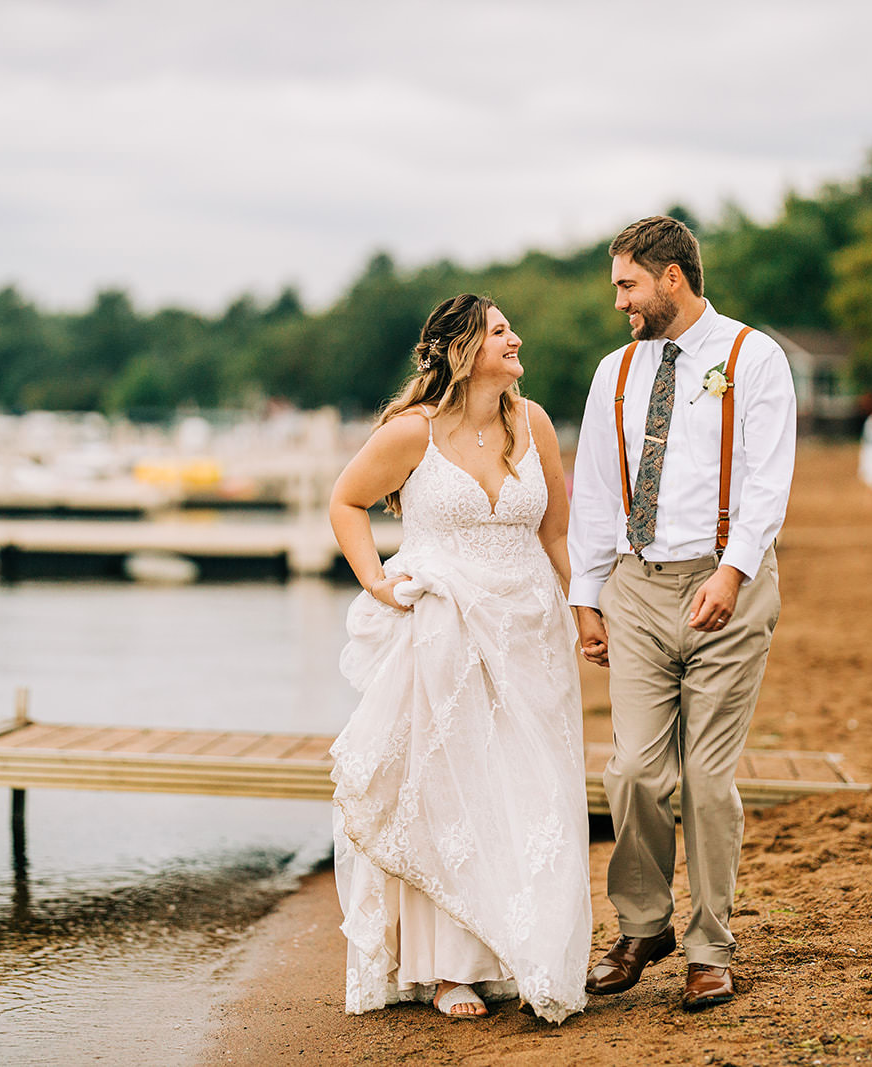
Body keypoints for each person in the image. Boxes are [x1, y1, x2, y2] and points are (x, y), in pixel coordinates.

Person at [327, 294, 591, 1023]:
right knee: (452, 786)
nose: (516, 338)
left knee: (533, 787)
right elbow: (346, 502)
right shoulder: (413, 432)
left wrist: (587, 610)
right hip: (443, 628)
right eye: (501, 330)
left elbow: (556, 535)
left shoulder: (532, 423)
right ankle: (446, 969)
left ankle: (520, 948)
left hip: (530, 632)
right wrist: (377, 580)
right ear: (462, 349)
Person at [568, 216, 796, 1012]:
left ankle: (709, 945)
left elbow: (768, 480)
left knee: (705, 777)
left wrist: (733, 573)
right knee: (632, 769)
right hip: (636, 586)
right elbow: (595, 487)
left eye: (628, 285)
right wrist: (587, 598)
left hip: (725, 581)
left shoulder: (752, 357)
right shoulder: (615, 372)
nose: (620, 302)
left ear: (672, 277)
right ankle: (643, 925)